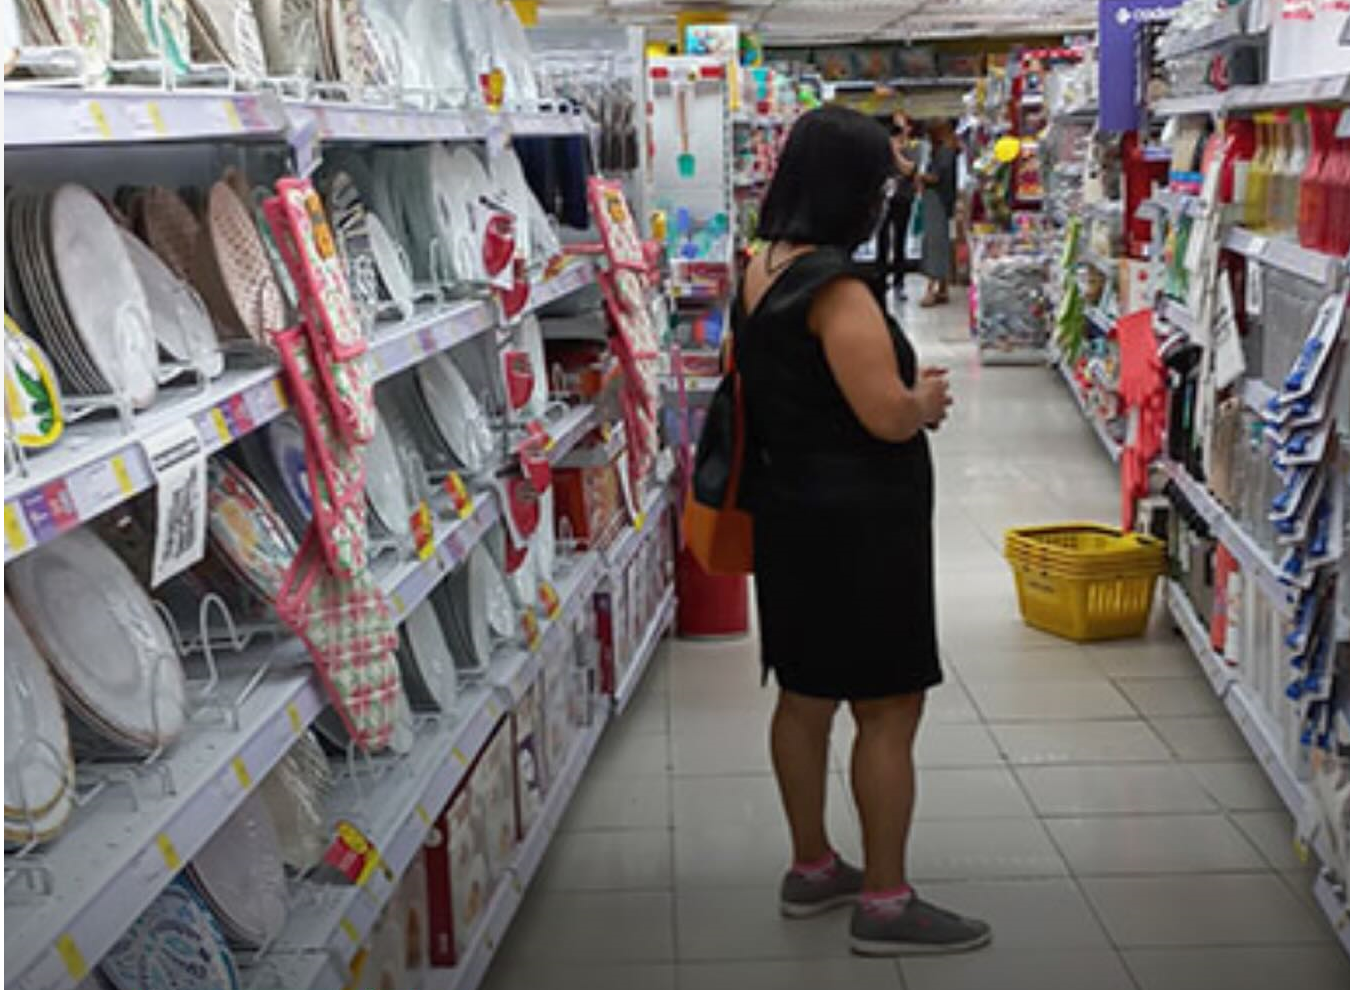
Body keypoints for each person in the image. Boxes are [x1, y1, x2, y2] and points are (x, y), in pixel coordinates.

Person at [733, 105, 992, 956]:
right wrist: (925, 401)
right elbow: (885, 415)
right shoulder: (836, 288)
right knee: (887, 706)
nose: (885, 197)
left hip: (789, 509)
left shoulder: (761, 266)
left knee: (804, 695)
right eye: (879, 183)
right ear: (850, 187)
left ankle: (812, 867)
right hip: (858, 526)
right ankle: (884, 903)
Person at [874, 112, 918, 303]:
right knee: (882, 241)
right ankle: (880, 281)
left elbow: (909, 169)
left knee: (900, 242)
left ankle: (899, 283)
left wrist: (895, 152)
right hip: (883, 201)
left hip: (903, 200)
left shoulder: (911, 149)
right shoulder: (881, 151)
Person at [916, 118, 959, 307]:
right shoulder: (951, 150)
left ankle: (931, 289)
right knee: (942, 243)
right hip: (944, 201)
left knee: (934, 244)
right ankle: (943, 288)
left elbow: (935, 177)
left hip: (936, 201)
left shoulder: (944, 152)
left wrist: (917, 176)